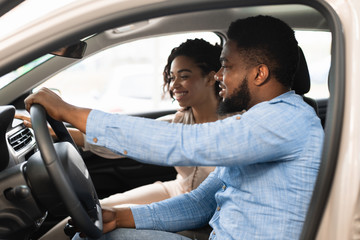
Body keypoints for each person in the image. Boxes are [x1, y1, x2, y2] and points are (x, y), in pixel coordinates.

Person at [25, 15, 324, 240]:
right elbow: (200, 203)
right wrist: (122, 216)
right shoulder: (254, 121)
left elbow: (185, 143)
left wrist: (70, 112)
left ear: (259, 73)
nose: (219, 75)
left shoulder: (288, 120)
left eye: (227, 66)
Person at [19, 39, 224, 239]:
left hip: (207, 213)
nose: (174, 85)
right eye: (171, 77)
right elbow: (129, 141)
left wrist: (68, 111)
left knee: (98, 228)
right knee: (95, 213)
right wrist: (53, 130)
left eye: (184, 76)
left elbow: (141, 139)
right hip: (179, 191)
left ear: (210, 77)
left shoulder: (235, 128)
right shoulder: (180, 119)